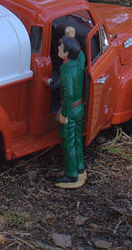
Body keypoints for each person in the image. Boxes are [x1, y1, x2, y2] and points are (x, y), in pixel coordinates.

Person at [54, 35, 87, 189]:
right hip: (79, 108)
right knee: (77, 140)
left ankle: (71, 175)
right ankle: (80, 169)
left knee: (69, 143)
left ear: (67, 53)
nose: (58, 49)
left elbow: (67, 95)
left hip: (71, 110)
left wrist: (64, 114)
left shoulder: (67, 72)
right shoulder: (78, 63)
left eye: (61, 47)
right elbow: (81, 54)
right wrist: (72, 37)